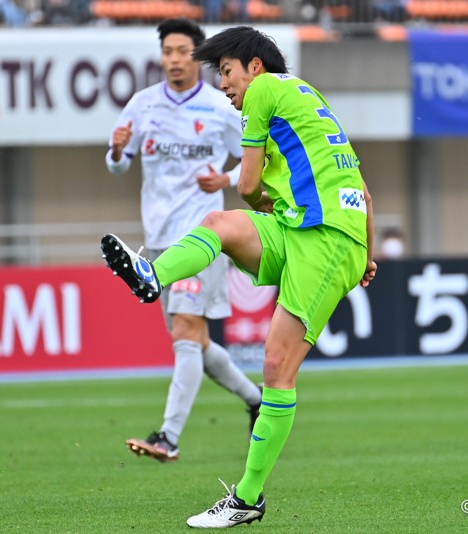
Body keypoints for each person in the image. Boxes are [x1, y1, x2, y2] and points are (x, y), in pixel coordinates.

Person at [101, 25, 376, 527]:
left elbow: (247, 184)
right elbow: (361, 187)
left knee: (276, 366)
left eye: (225, 71)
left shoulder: (266, 91)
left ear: (255, 66)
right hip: (313, 230)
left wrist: (273, 207)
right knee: (218, 225)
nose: (223, 85)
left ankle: (248, 498)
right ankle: (150, 274)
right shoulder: (307, 97)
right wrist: (367, 251)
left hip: (327, 239)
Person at [104, 18, 262, 464]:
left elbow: (257, 157)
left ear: (197, 56)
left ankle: (168, 437)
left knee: (187, 334)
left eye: (182, 51)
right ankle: (256, 399)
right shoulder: (141, 105)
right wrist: (117, 151)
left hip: (203, 238)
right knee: (192, 340)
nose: (174, 59)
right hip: (157, 242)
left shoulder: (219, 106)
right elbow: (117, 165)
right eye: (167, 51)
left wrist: (225, 178)